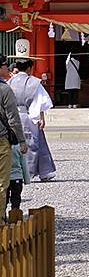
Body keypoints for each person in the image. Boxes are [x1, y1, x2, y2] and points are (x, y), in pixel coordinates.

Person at [7, 41, 55, 181]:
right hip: (29, 116)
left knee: (15, 146)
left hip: (14, 116)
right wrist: (41, 117)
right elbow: (41, 102)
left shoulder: (9, 82)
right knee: (34, 144)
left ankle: (17, 172)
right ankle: (37, 172)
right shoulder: (35, 82)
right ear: (29, 67)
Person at [0, 53, 27, 221]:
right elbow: (13, 118)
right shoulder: (4, 89)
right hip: (1, 140)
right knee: (2, 184)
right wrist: (22, 140)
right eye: (4, 66)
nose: (7, 69)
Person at [6, 139, 30, 214]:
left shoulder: (3, 147)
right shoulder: (19, 147)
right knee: (16, 199)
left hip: (4, 177)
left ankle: (2, 218)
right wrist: (27, 179)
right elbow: (24, 164)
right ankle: (15, 217)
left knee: (4, 199)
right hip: (17, 177)